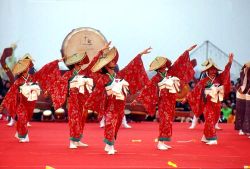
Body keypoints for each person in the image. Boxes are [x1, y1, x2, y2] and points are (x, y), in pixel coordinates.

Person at [85, 42, 151, 154]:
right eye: (111, 61)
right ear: (105, 65)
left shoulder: (118, 75)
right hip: (110, 105)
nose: (113, 62)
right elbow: (90, 69)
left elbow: (130, 66)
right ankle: (110, 146)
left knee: (116, 124)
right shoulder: (102, 77)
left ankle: (108, 144)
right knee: (110, 123)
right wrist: (101, 51)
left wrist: (140, 55)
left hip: (120, 104)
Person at [133, 45, 196, 150]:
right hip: (163, 102)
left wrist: (186, 52)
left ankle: (164, 141)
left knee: (169, 121)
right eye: (162, 65)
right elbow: (147, 89)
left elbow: (178, 63)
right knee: (164, 121)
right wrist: (137, 98)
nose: (164, 66)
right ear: (159, 68)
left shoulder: (170, 73)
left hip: (172, 101)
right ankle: (160, 142)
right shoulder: (156, 78)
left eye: (164, 65)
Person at [0, 54, 61, 142]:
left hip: (30, 103)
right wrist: (2, 105)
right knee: (22, 117)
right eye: (24, 68)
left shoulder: (33, 77)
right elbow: (10, 93)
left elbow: (44, 69)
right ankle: (23, 136)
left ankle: (19, 133)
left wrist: (56, 61)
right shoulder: (18, 81)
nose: (26, 69)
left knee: (25, 118)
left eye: (27, 67)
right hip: (21, 103)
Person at [185, 53, 233, 145]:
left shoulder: (219, 78)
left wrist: (229, 63)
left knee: (214, 120)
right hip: (208, 104)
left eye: (214, 69)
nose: (213, 71)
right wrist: (187, 98)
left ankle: (205, 137)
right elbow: (195, 90)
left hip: (217, 102)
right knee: (209, 119)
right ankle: (213, 139)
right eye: (211, 69)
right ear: (207, 70)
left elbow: (226, 72)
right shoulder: (203, 81)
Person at [235, 61, 250, 137]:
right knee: (241, 111)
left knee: (248, 112)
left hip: (248, 93)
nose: (247, 68)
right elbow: (243, 83)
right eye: (246, 67)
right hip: (241, 93)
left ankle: (247, 129)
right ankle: (241, 128)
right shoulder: (242, 73)